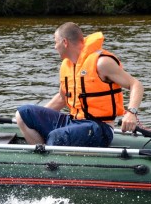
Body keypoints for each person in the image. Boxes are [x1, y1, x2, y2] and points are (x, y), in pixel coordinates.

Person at [16, 22, 144, 147]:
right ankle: (43, 157)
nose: (55, 47)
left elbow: (135, 84)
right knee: (23, 113)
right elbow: (62, 98)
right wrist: (39, 117)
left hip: (100, 127)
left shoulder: (102, 63)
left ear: (65, 42)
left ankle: (51, 162)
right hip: (74, 122)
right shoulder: (68, 65)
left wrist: (131, 113)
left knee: (58, 137)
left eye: (55, 42)